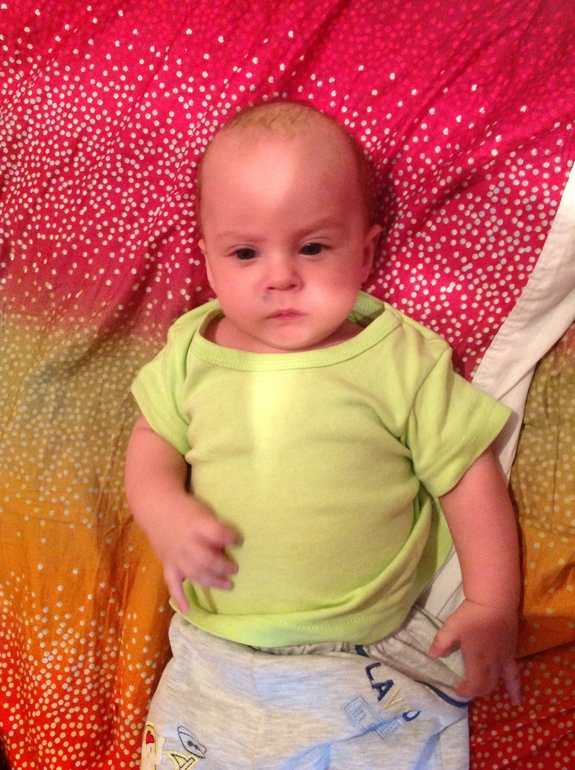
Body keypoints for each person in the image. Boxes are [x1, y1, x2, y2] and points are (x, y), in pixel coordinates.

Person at [125, 100, 521, 769]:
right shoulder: (191, 352)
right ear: (210, 264)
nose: (281, 276)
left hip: (365, 657)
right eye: (245, 253)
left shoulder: (399, 359)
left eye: (312, 247)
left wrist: (491, 602)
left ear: (363, 253)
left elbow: (466, 474)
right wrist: (164, 511)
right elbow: (150, 445)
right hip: (216, 654)